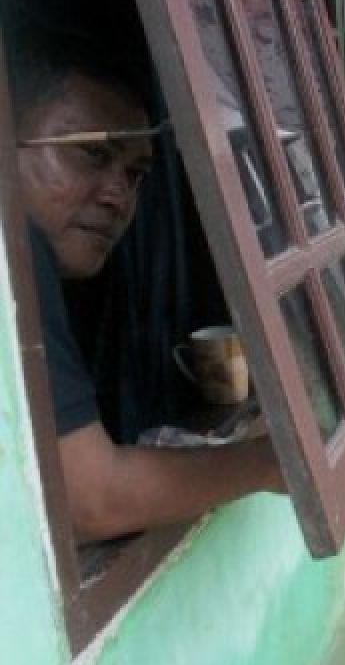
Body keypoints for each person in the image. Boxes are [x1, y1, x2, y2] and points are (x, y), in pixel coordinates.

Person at [13, 46, 285, 545]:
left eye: (134, 174)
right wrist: (269, 463)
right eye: (92, 153)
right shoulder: (15, 249)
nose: (118, 195)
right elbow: (90, 502)